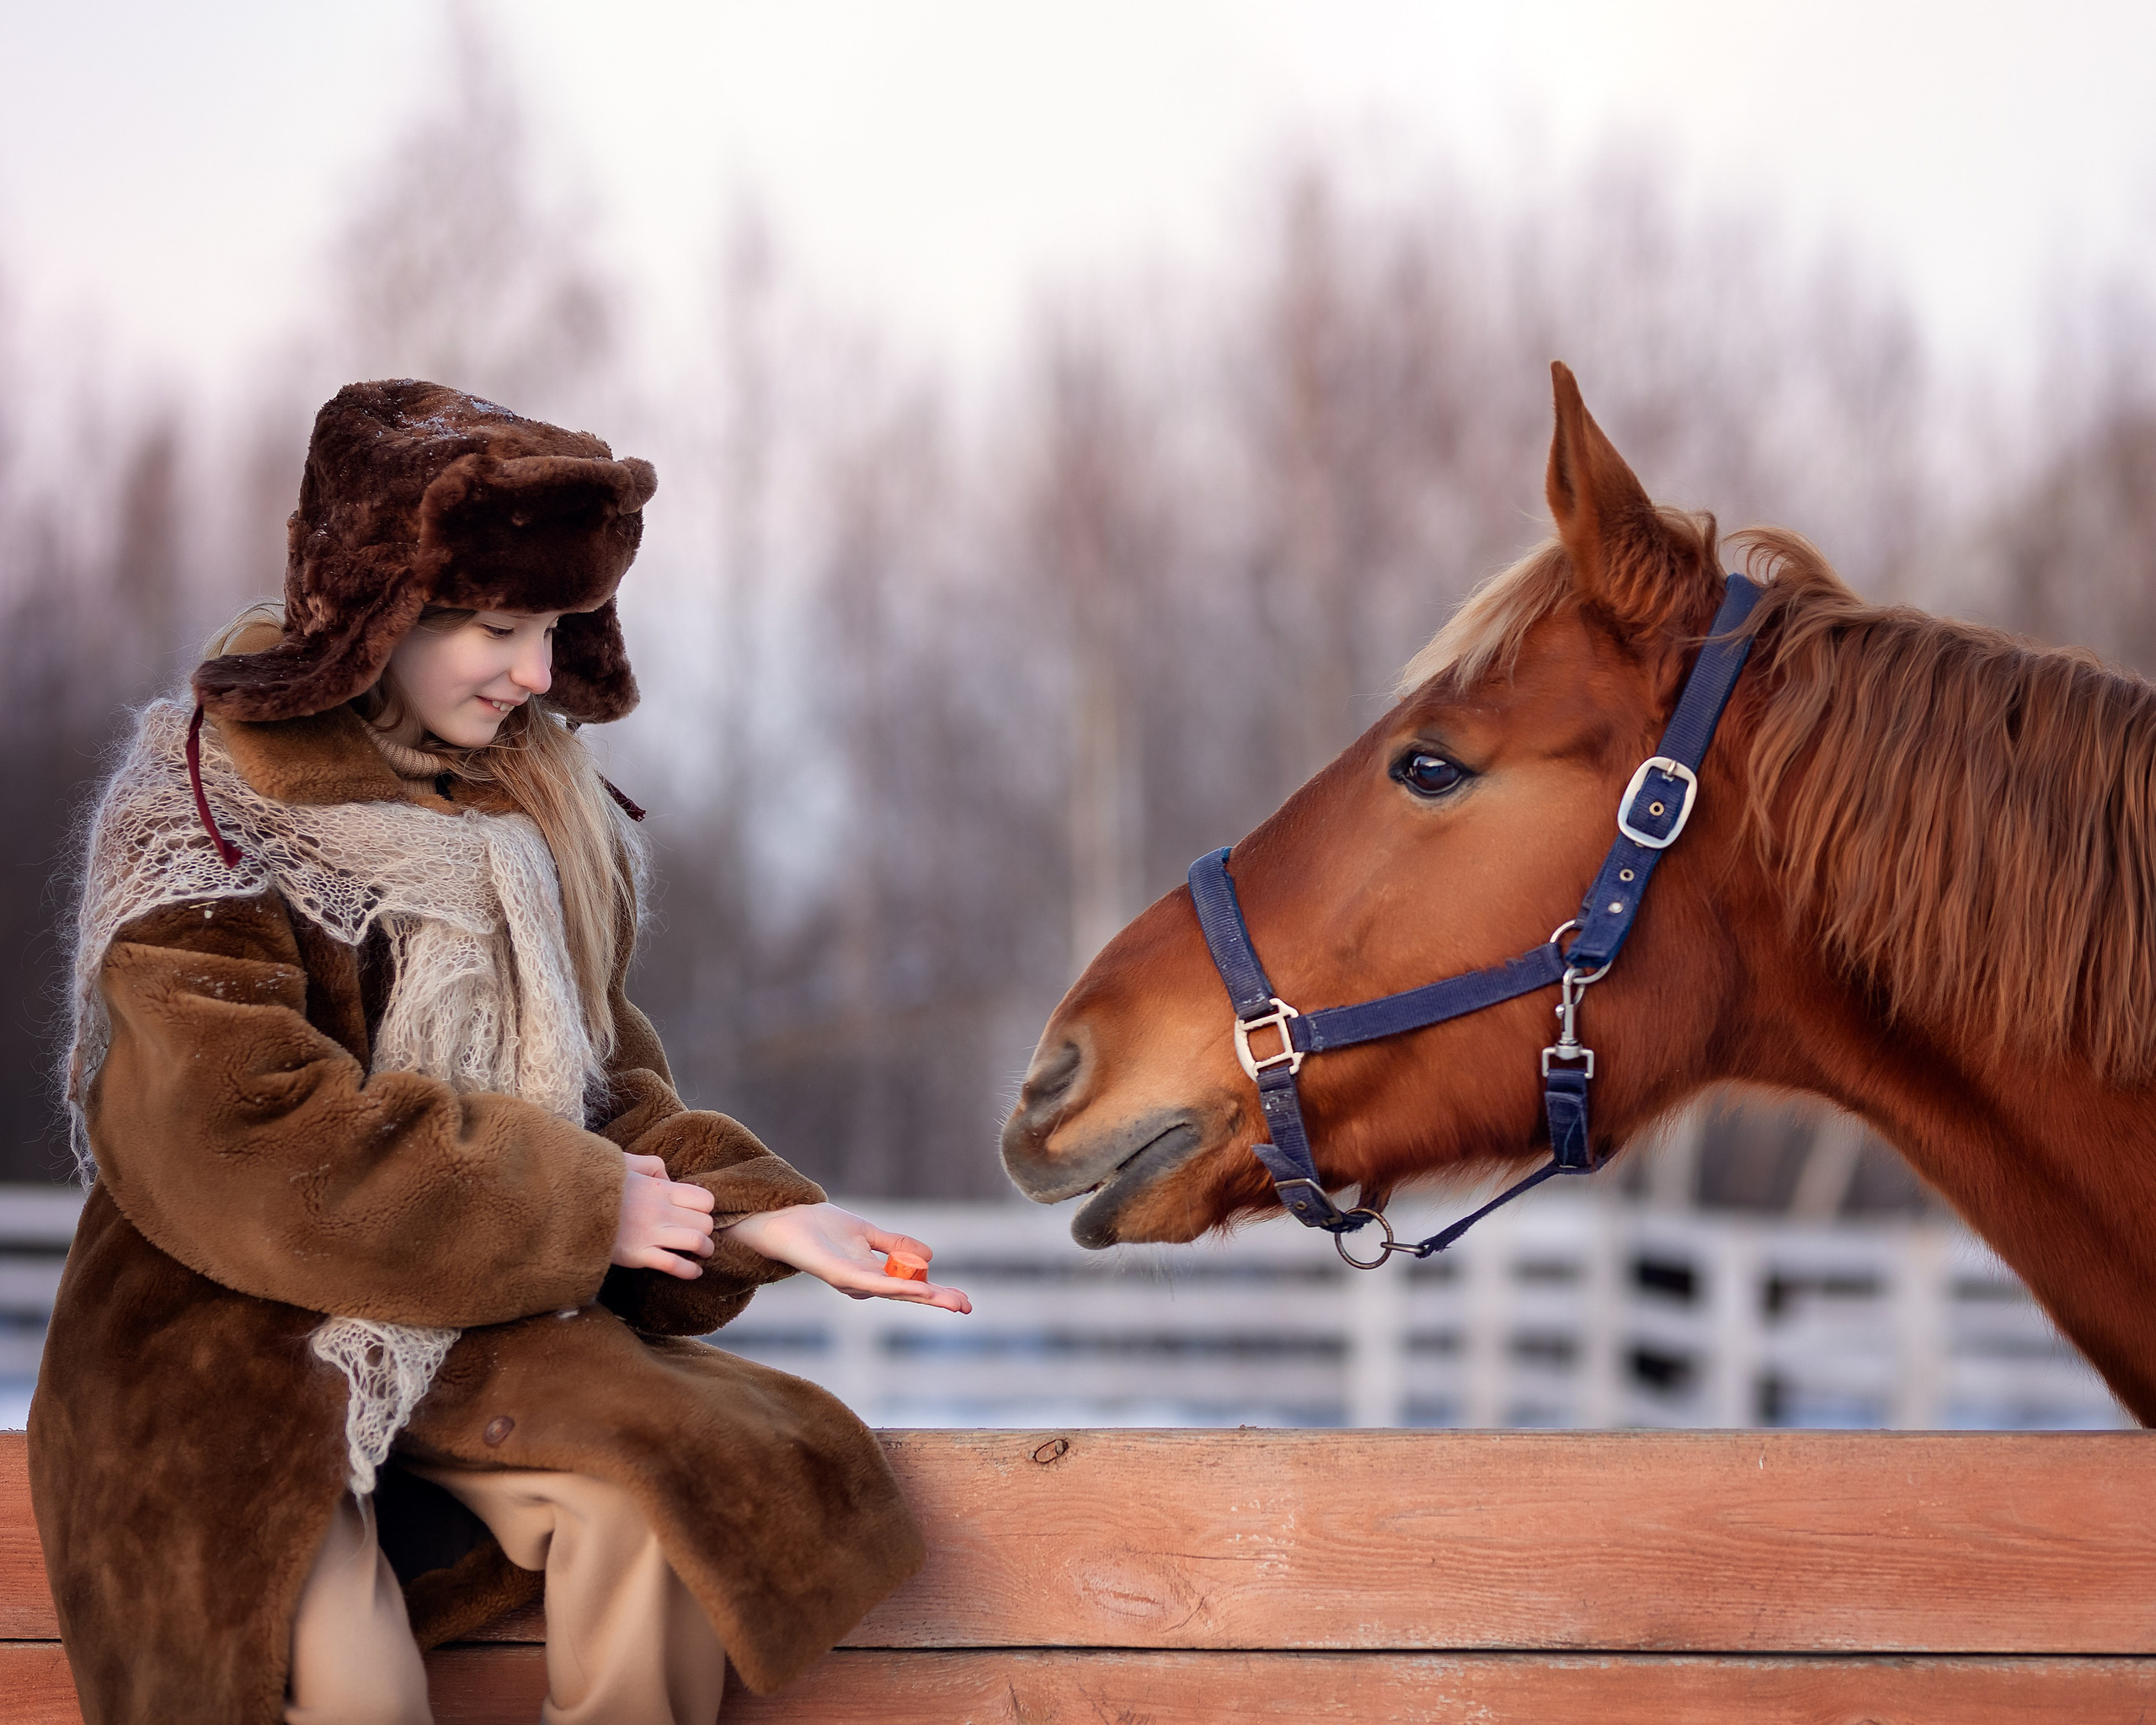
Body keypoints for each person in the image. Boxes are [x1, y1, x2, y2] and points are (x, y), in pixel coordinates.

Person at [32, 380, 969, 1725]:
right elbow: (234, 1133)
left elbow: (604, 1092)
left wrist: (760, 1217)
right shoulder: (206, 810)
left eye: (552, 632)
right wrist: (582, 1209)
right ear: (380, 612)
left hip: (467, 1324)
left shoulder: (533, 812)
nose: (537, 676)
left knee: (662, 1503)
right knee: (333, 1679)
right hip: (224, 1339)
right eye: (499, 629)